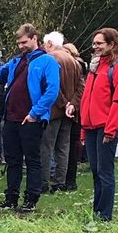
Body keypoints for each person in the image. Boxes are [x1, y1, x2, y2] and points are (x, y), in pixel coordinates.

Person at [0, 23, 60, 213]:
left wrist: (35, 113)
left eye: (24, 42)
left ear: (35, 38)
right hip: (11, 118)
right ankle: (11, 198)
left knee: (33, 159)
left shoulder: (47, 61)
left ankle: (31, 199)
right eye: (18, 43)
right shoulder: (15, 61)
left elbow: (52, 90)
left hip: (31, 118)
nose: (21, 46)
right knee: (12, 160)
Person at [80, 27, 118, 221]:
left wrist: (110, 130)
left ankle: (104, 215)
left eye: (99, 43)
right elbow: (86, 99)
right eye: (94, 43)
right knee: (95, 170)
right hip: (91, 128)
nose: (95, 47)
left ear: (112, 44)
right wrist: (84, 129)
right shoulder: (95, 67)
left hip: (106, 127)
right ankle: (97, 211)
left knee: (105, 172)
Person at [39, 31, 81, 192]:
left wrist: (64, 104)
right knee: (63, 148)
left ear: (49, 44)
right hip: (69, 113)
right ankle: (60, 182)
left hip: (54, 110)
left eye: (44, 44)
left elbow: (52, 87)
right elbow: (80, 86)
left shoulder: (50, 59)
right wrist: (73, 105)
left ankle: (43, 182)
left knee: (46, 146)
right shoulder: (74, 61)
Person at [63, 42, 88, 189]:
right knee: (69, 145)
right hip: (73, 109)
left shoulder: (76, 66)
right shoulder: (76, 65)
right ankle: (68, 179)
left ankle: (70, 180)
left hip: (74, 111)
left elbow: (80, 90)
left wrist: (71, 104)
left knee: (71, 145)